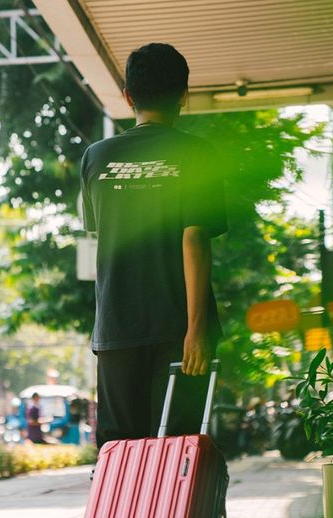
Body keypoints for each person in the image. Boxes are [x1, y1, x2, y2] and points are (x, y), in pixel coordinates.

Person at [80, 43, 228, 450]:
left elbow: (102, 231)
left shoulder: (96, 157)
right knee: (180, 449)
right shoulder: (198, 154)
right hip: (179, 330)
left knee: (118, 450)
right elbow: (193, 237)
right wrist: (196, 328)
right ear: (184, 95)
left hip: (117, 329)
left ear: (128, 96)